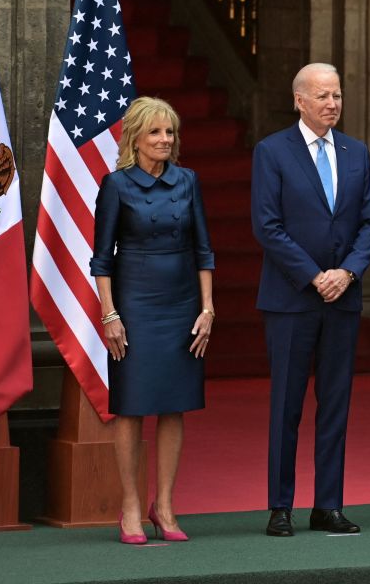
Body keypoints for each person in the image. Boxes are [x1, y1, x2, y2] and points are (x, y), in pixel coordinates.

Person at [251, 62, 370, 537]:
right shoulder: (272, 151)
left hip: (342, 298)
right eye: (323, 96)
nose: (332, 104)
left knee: (335, 405)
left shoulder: (357, 153)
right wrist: (313, 276)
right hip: (291, 300)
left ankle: (328, 505)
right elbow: (267, 225)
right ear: (299, 101)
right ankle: (280, 505)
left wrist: (346, 272)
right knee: (286, 405)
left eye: (338, 95)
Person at [92, 97, 215, 544]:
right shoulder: (116, 186)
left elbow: (204, 249)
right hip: (135, 306)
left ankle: (163, 505)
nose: (165, 140)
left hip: (182, 304)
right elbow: (101, 260)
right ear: (136, 139)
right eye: (156, 133)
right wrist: (110, 315)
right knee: (131, 405)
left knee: (173, 403)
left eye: (170, 133)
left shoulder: (188, 181)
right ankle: (130, 505)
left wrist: (207, 309)